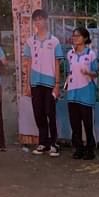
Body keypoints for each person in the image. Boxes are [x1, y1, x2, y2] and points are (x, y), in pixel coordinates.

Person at [23, 9, 63, 157]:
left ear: (46, 20)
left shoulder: (54, 41)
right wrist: (27, 84)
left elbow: (57, 63)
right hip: (35, 82)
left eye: (41, 19)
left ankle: (54, 143)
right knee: (38, 112)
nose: (39, 22)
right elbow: (28, 63)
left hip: (50, 83)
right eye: (36, 20)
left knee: (50, 113)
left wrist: (57, 84)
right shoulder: (30, 41)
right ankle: (43, 142)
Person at [65, 27, 98, 160]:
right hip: (73, 91)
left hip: (86, 91)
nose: (75, 38)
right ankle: (78, 148)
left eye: (78, 36)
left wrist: (88, 72)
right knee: (75, 122)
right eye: (74, 36)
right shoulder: (70, 54)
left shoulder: (90, 54)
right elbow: (69, 72)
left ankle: (90, 149)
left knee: (87, 122)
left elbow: (96, 73)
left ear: (85, 38)